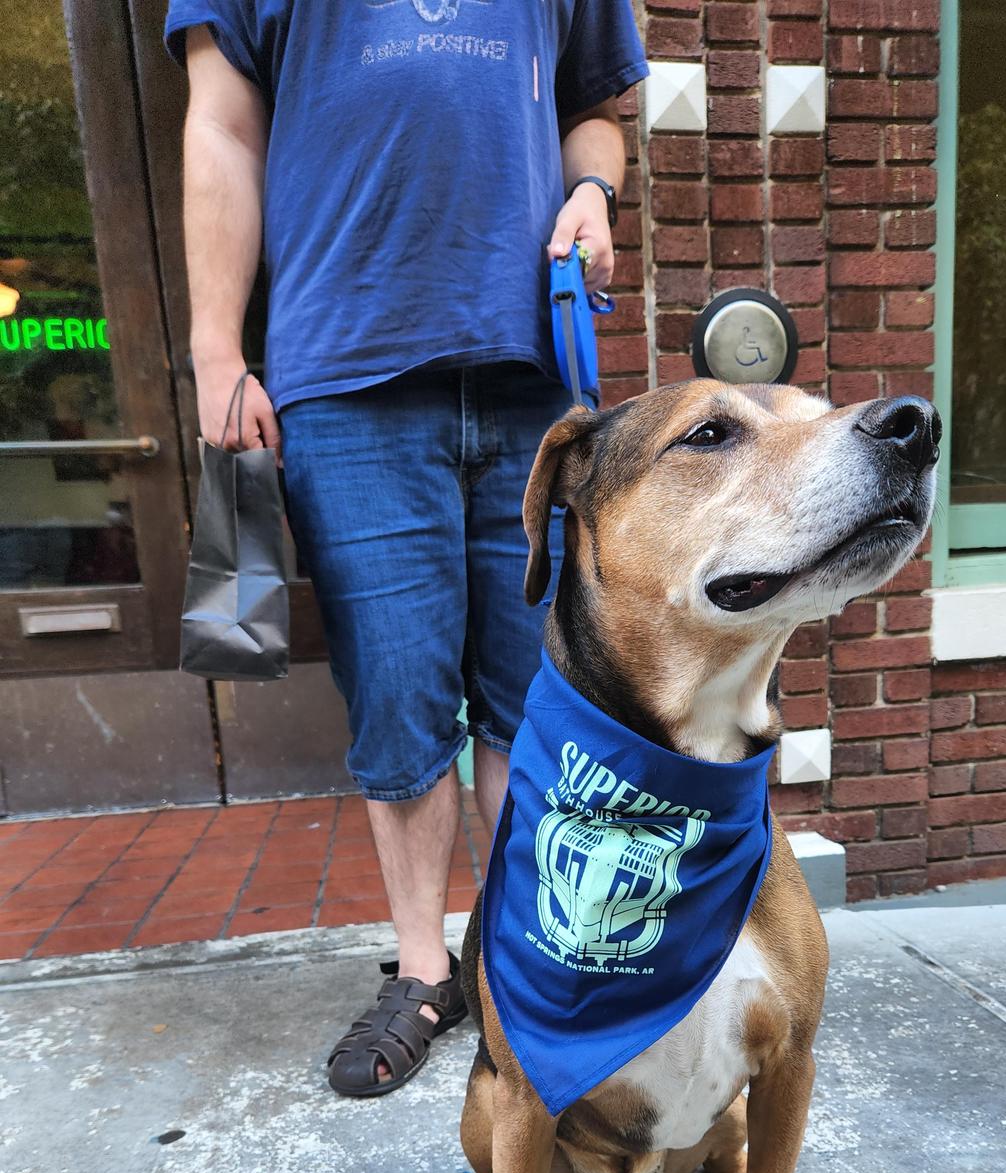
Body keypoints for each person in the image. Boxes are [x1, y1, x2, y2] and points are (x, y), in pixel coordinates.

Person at [166, 1, 647, 1096]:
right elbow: (222, 130)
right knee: (399, 697)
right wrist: (213, 353)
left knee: (539, 699)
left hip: (531, 374)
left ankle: (523, 963)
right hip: (347, 375)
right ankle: (427, 971)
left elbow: (594, 114)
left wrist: (590, 189)